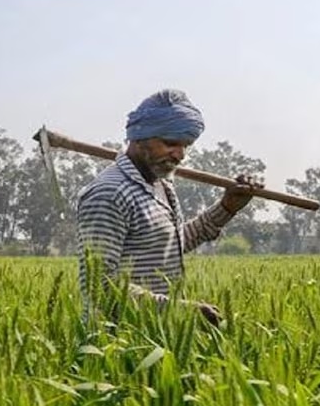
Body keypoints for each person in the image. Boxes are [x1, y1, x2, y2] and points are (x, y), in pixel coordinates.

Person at [76, 89, 261, 326]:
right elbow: (99, 285)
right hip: (115, 343)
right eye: (171, 143)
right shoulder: (109, 194)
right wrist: (180, 309)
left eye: (186, 145)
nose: (180, 155)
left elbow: (172, 243)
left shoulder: (160, 184)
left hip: (157, 334)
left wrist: (227, 207)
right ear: (140, 137)